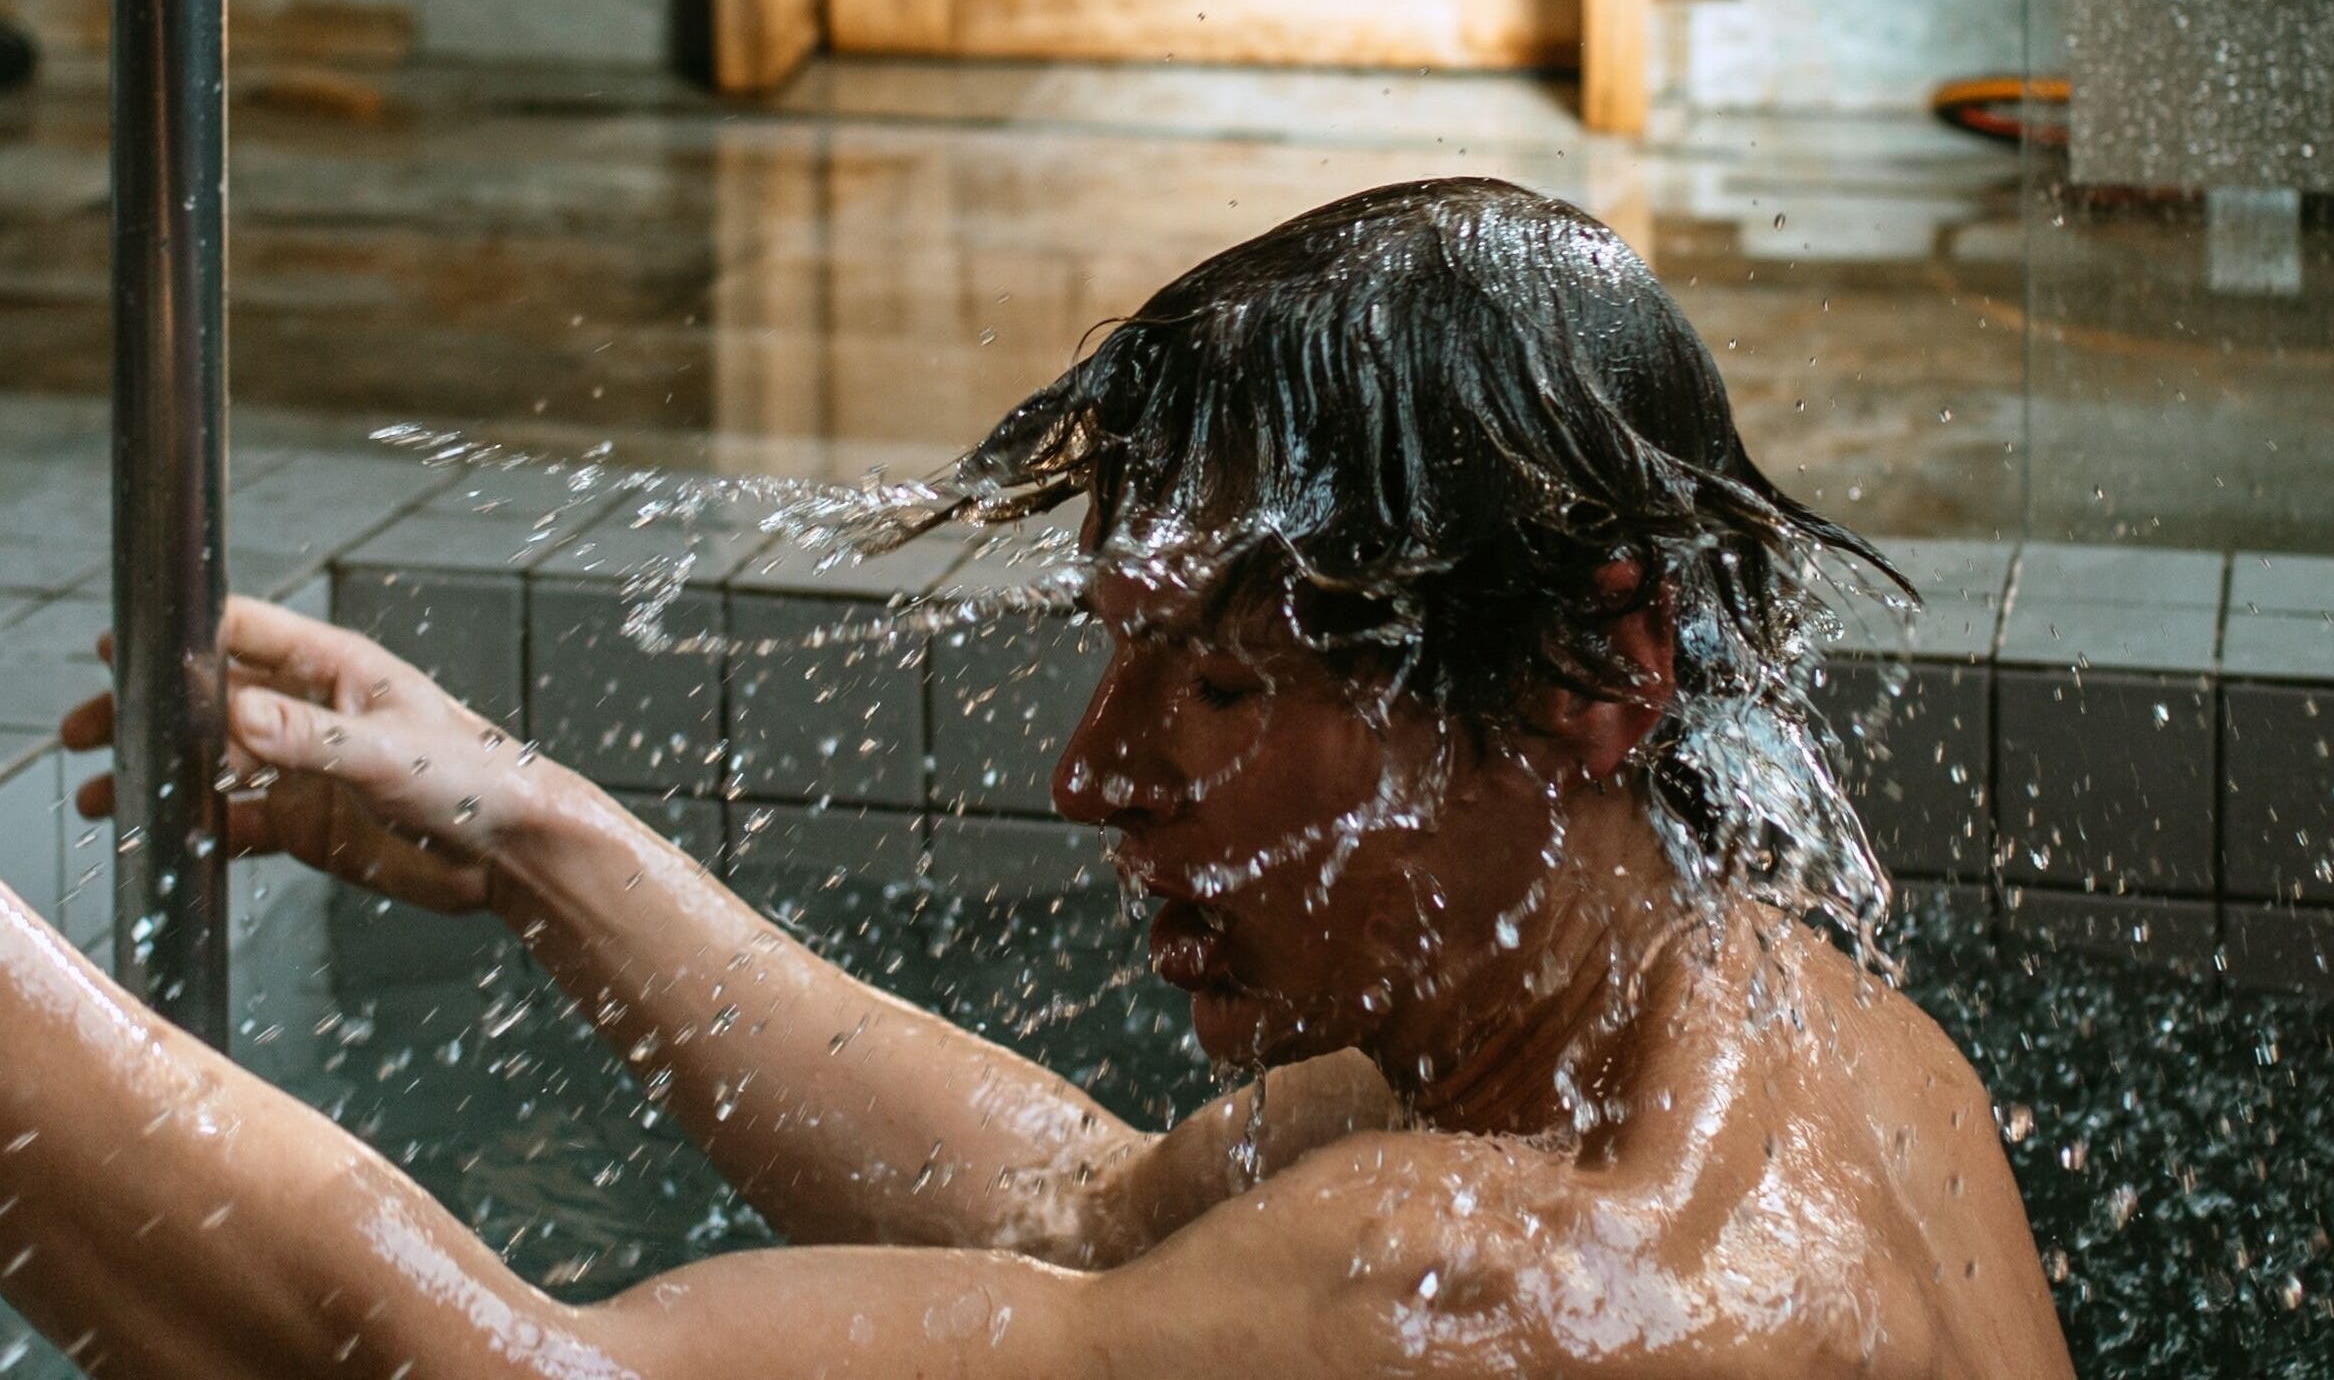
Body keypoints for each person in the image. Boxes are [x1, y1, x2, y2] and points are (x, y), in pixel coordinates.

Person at [4, 177, 2073, 1377]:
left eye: (1221, 683)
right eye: (1119, 657)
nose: (1092, 771)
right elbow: (1078, 1208)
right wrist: (526, 827)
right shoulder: (1828, 1055)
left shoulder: (1497, 1295)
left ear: (1600, 664)